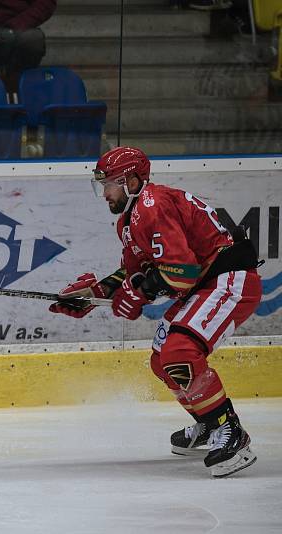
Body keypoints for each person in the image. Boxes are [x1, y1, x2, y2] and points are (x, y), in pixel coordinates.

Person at [50, 147, 262, 478]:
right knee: (161, 359)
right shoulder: (130, 219)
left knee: (180, 353)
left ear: (133, 181)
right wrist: (94, 294)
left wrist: (141, 291)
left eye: (111, 184)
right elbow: (136, 272)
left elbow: (182, 272)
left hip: (228, 281)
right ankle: (208, 422)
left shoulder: (154, 205)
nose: (105, 192)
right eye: (102, 185)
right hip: (205, 285)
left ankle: (231, 431)